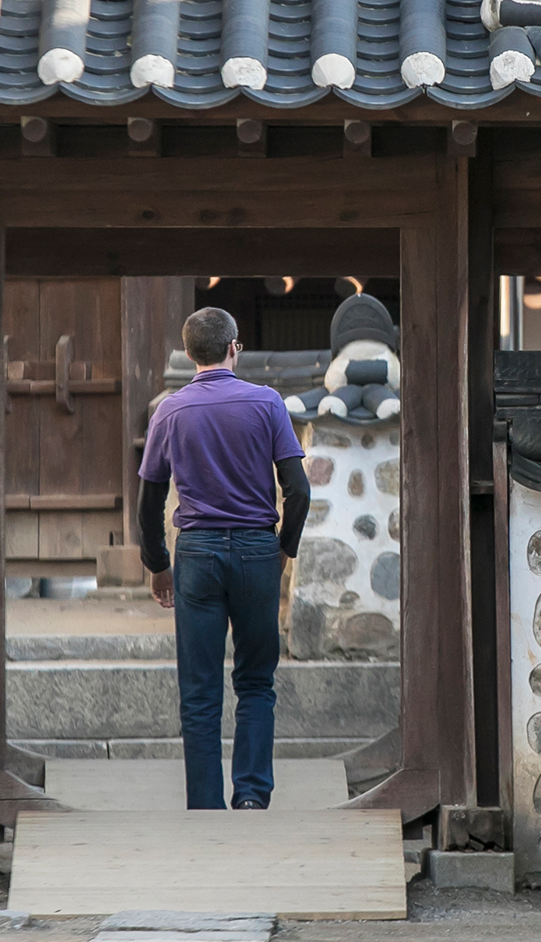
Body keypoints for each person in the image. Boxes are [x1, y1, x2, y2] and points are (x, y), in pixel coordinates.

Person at [137, 306, 311, 810]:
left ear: (190, 353)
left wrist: (158, 564)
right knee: (256, 680)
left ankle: (205, 804)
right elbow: (297, 491)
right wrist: (283, 551)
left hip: (197, 554)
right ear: (235, 347)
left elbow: (150, 500)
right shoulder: (268, 403)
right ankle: (253, 795)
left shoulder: (169, 411)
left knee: (199, 689)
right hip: (257, 549)